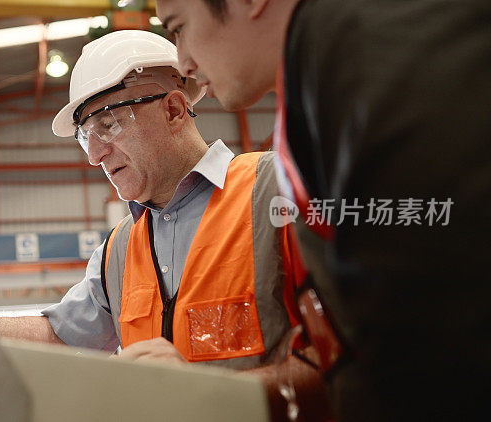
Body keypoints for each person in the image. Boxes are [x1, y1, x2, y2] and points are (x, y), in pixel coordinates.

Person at [0, 30, 325, 416]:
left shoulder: (279, 191)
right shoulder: (121, 249)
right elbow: (62, 335)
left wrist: (208, 394)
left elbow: (352, 364)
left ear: (173, 110)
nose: (94, 155)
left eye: (108, 125)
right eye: (84, 136)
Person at [155, 0, 491, 420]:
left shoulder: (383, 63)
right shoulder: (330, 70)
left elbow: (446, 331)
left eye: (179, 27)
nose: (183, 61)